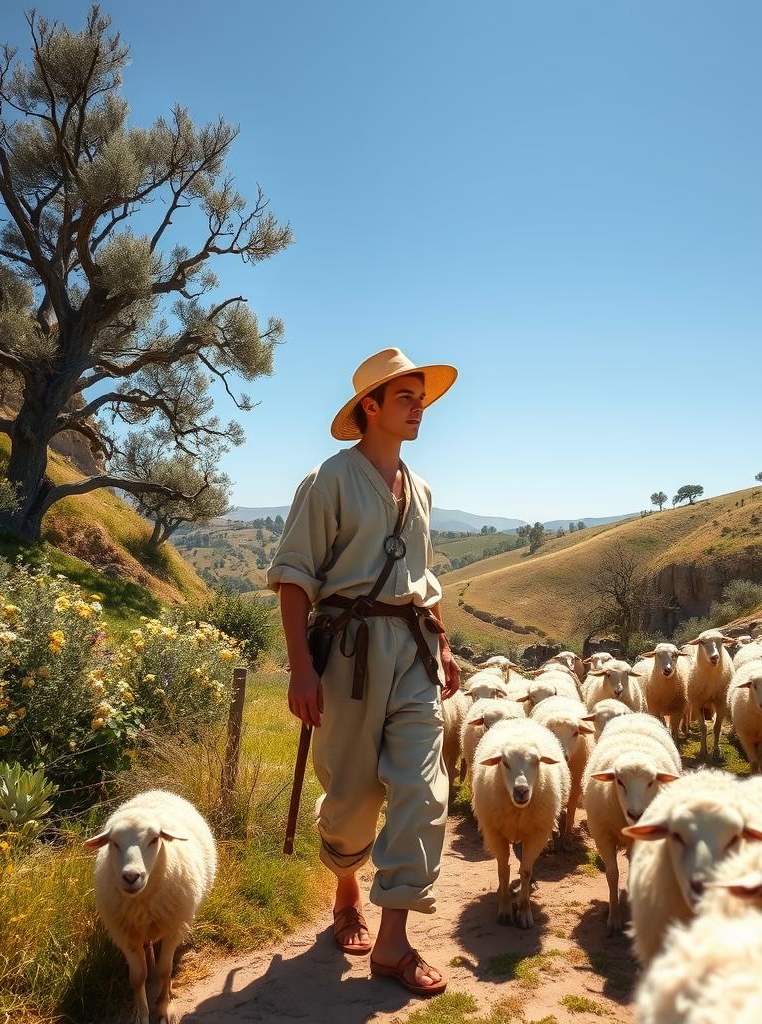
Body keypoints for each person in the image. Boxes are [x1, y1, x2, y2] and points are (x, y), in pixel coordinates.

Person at [266, 347, 462, 996]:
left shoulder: (424, 490)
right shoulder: (329, 480)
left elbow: (424, 582)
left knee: (423, 789)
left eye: (421, 398)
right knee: (351, 799)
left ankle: (393, 941)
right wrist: (301, 669)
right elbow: (294, 577)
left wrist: (445, 646)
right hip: (346, 656)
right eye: (405, 398)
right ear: (369, 407)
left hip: (412, 653)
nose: (418, 408)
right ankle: (346, 889)